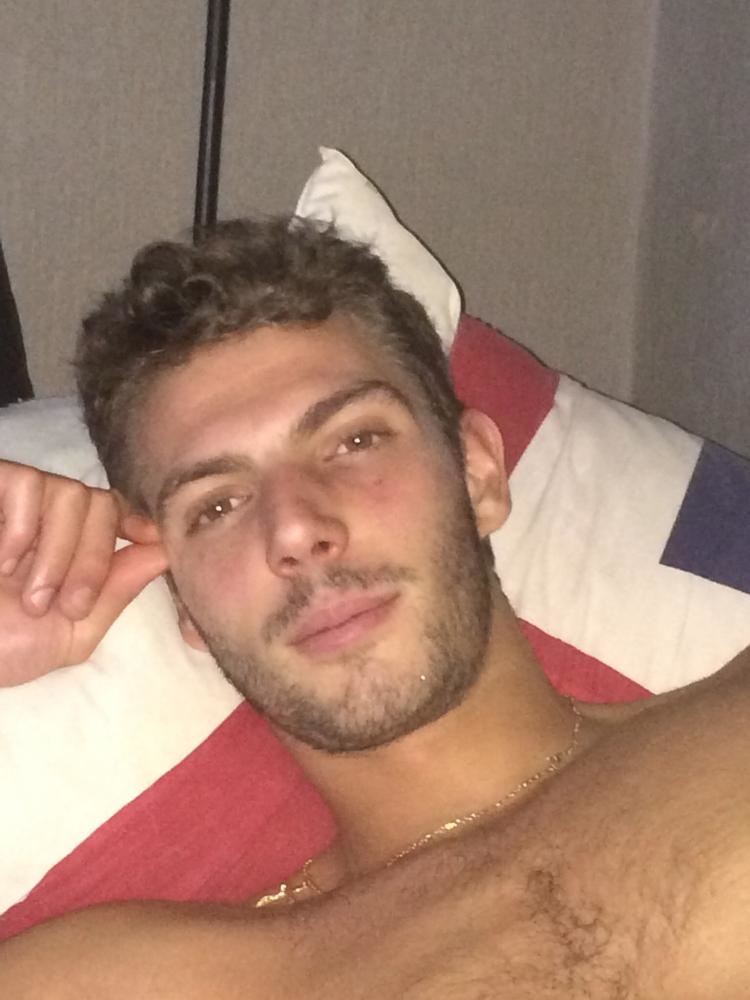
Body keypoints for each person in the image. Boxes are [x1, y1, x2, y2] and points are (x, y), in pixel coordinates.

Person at [0, 216, 748, 998]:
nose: (296, 530)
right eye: (217, 505)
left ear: (478, 473)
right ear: (183, 599)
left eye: (355, 442)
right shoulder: (149, 979)